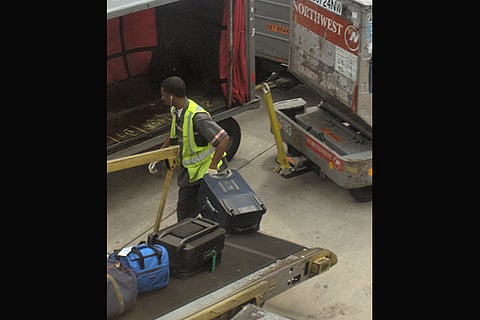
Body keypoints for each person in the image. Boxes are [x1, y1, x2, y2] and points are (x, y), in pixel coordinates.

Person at [150, 76, 230, 222]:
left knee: (191, 215)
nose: (162, 98)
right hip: (190, 173)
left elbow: (224, 139)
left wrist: (212, 168)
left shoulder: (197, 117)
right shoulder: (176, 110)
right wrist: (160, 154)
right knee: (188, 213)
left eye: (163, 95)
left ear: (171, 96)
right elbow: (174, 132)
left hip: (205, 173)